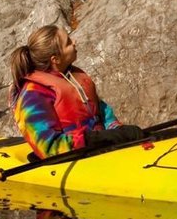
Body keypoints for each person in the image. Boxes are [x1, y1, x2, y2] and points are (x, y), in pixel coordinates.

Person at [9, 24, 142, 159]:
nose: (74, 42)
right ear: (55, 59)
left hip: (100, 150)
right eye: (68, 42)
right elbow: (48, 147)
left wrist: (116, 130)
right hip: (72, 159)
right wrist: (94, 139)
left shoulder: (72, 76)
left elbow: (101, 110)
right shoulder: (33, 95)